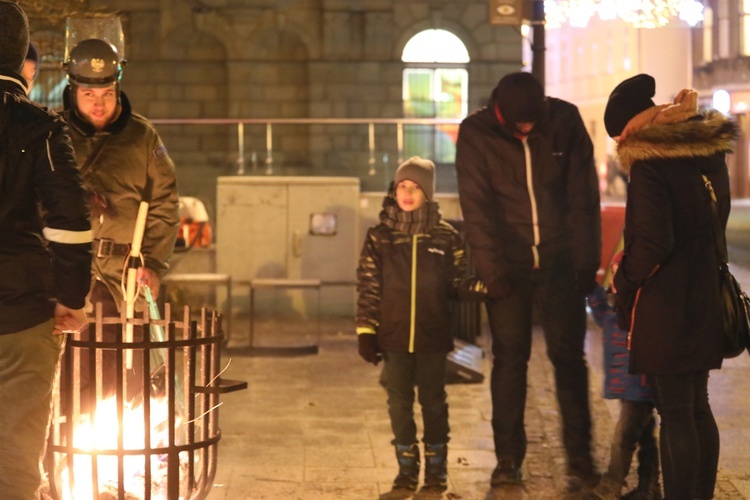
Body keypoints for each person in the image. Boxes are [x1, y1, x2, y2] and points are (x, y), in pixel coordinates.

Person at [455, 71, 602, 492]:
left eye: (533, 122)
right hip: (509, 266)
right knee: (509, 359)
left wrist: (585, 262)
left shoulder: (564, 121)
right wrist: (492, 272)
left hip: (560, 262)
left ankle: (581, 457)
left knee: (570, 360)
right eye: (520, 123)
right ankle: (507, 461)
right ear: (500, 112)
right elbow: (477, 208)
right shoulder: (476, 134)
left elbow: (584, 197)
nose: (528, 128)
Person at [604, 74, 737, 500]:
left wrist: (622, 280)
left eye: (621, 135)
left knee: (676, 413)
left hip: (666, 308)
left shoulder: (651, 166)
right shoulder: (704, 154)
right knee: (696, 405)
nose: (620, 143)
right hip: (703, 295)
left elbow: (652, 242)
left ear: (636, 127)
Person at [0, 2, 92, 498]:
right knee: (15, 459)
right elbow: (70, 222)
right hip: (24, 312)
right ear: (21, 58)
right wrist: (72, 299)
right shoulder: (41, 127)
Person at [356, 157, 486, 493]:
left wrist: (490, 287)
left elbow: (458, 283)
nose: (408, 193)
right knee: (398, 401)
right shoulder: (380, 236)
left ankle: (436, 470)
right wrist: (366, 331)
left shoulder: (445, 236)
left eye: (415, 187)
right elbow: (369, 285)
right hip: (394, 335)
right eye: (402, 186)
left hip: (432, 334)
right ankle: (406, 469)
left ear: (427, 193)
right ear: (394, 190)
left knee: (433, 401)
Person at [61, 37, 179, 406]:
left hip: (124, 271)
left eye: (107, 93)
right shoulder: (53, 134)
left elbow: (165, 202)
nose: (99, 103)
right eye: (89, 95)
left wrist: (155, 264)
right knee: (70, 368)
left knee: (129, 370)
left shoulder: (143, 137)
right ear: (73, 91)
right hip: (69, 268)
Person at [585, 253, 661, 500]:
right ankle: (650, 488)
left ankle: (610, 486)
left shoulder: (641, 316)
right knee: (646, 439)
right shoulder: (613, 315)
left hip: (639, 390)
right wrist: (590, 284)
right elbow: (599, 310)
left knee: (623, 439)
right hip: (628, 390)